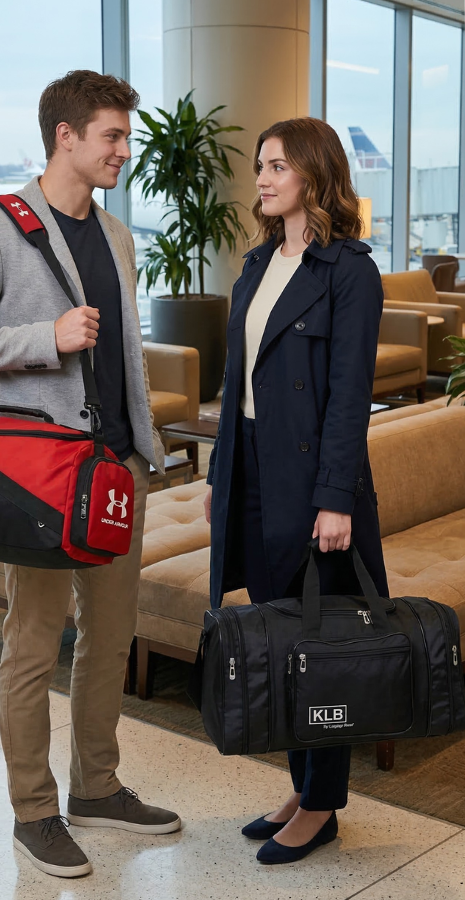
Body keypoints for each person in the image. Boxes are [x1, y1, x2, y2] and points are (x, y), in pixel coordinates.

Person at [0, 70, 180, 879]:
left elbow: (125, 358)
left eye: (125, 136)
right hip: (39, 476)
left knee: (109, 640)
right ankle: (33, 811)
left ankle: (97, 789)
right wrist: (48, 335)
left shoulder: (115, 234)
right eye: (111, 135)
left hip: (116, 471)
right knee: (33, 646)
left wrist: (148, 453)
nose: (123, 151)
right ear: (65, 136)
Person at [204, 117, 389, 865]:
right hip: (249, 469)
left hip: (311, 481)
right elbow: (236, 379)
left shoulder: (350, 271)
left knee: (322, 643)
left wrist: (335, 497)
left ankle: (321, 803)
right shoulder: (255, 264)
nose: (264, 179)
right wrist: (221, 471)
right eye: (260, 167)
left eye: (278, 165)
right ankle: (301, 785)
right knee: (282, 640)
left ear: (314, 172)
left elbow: (349, 396)